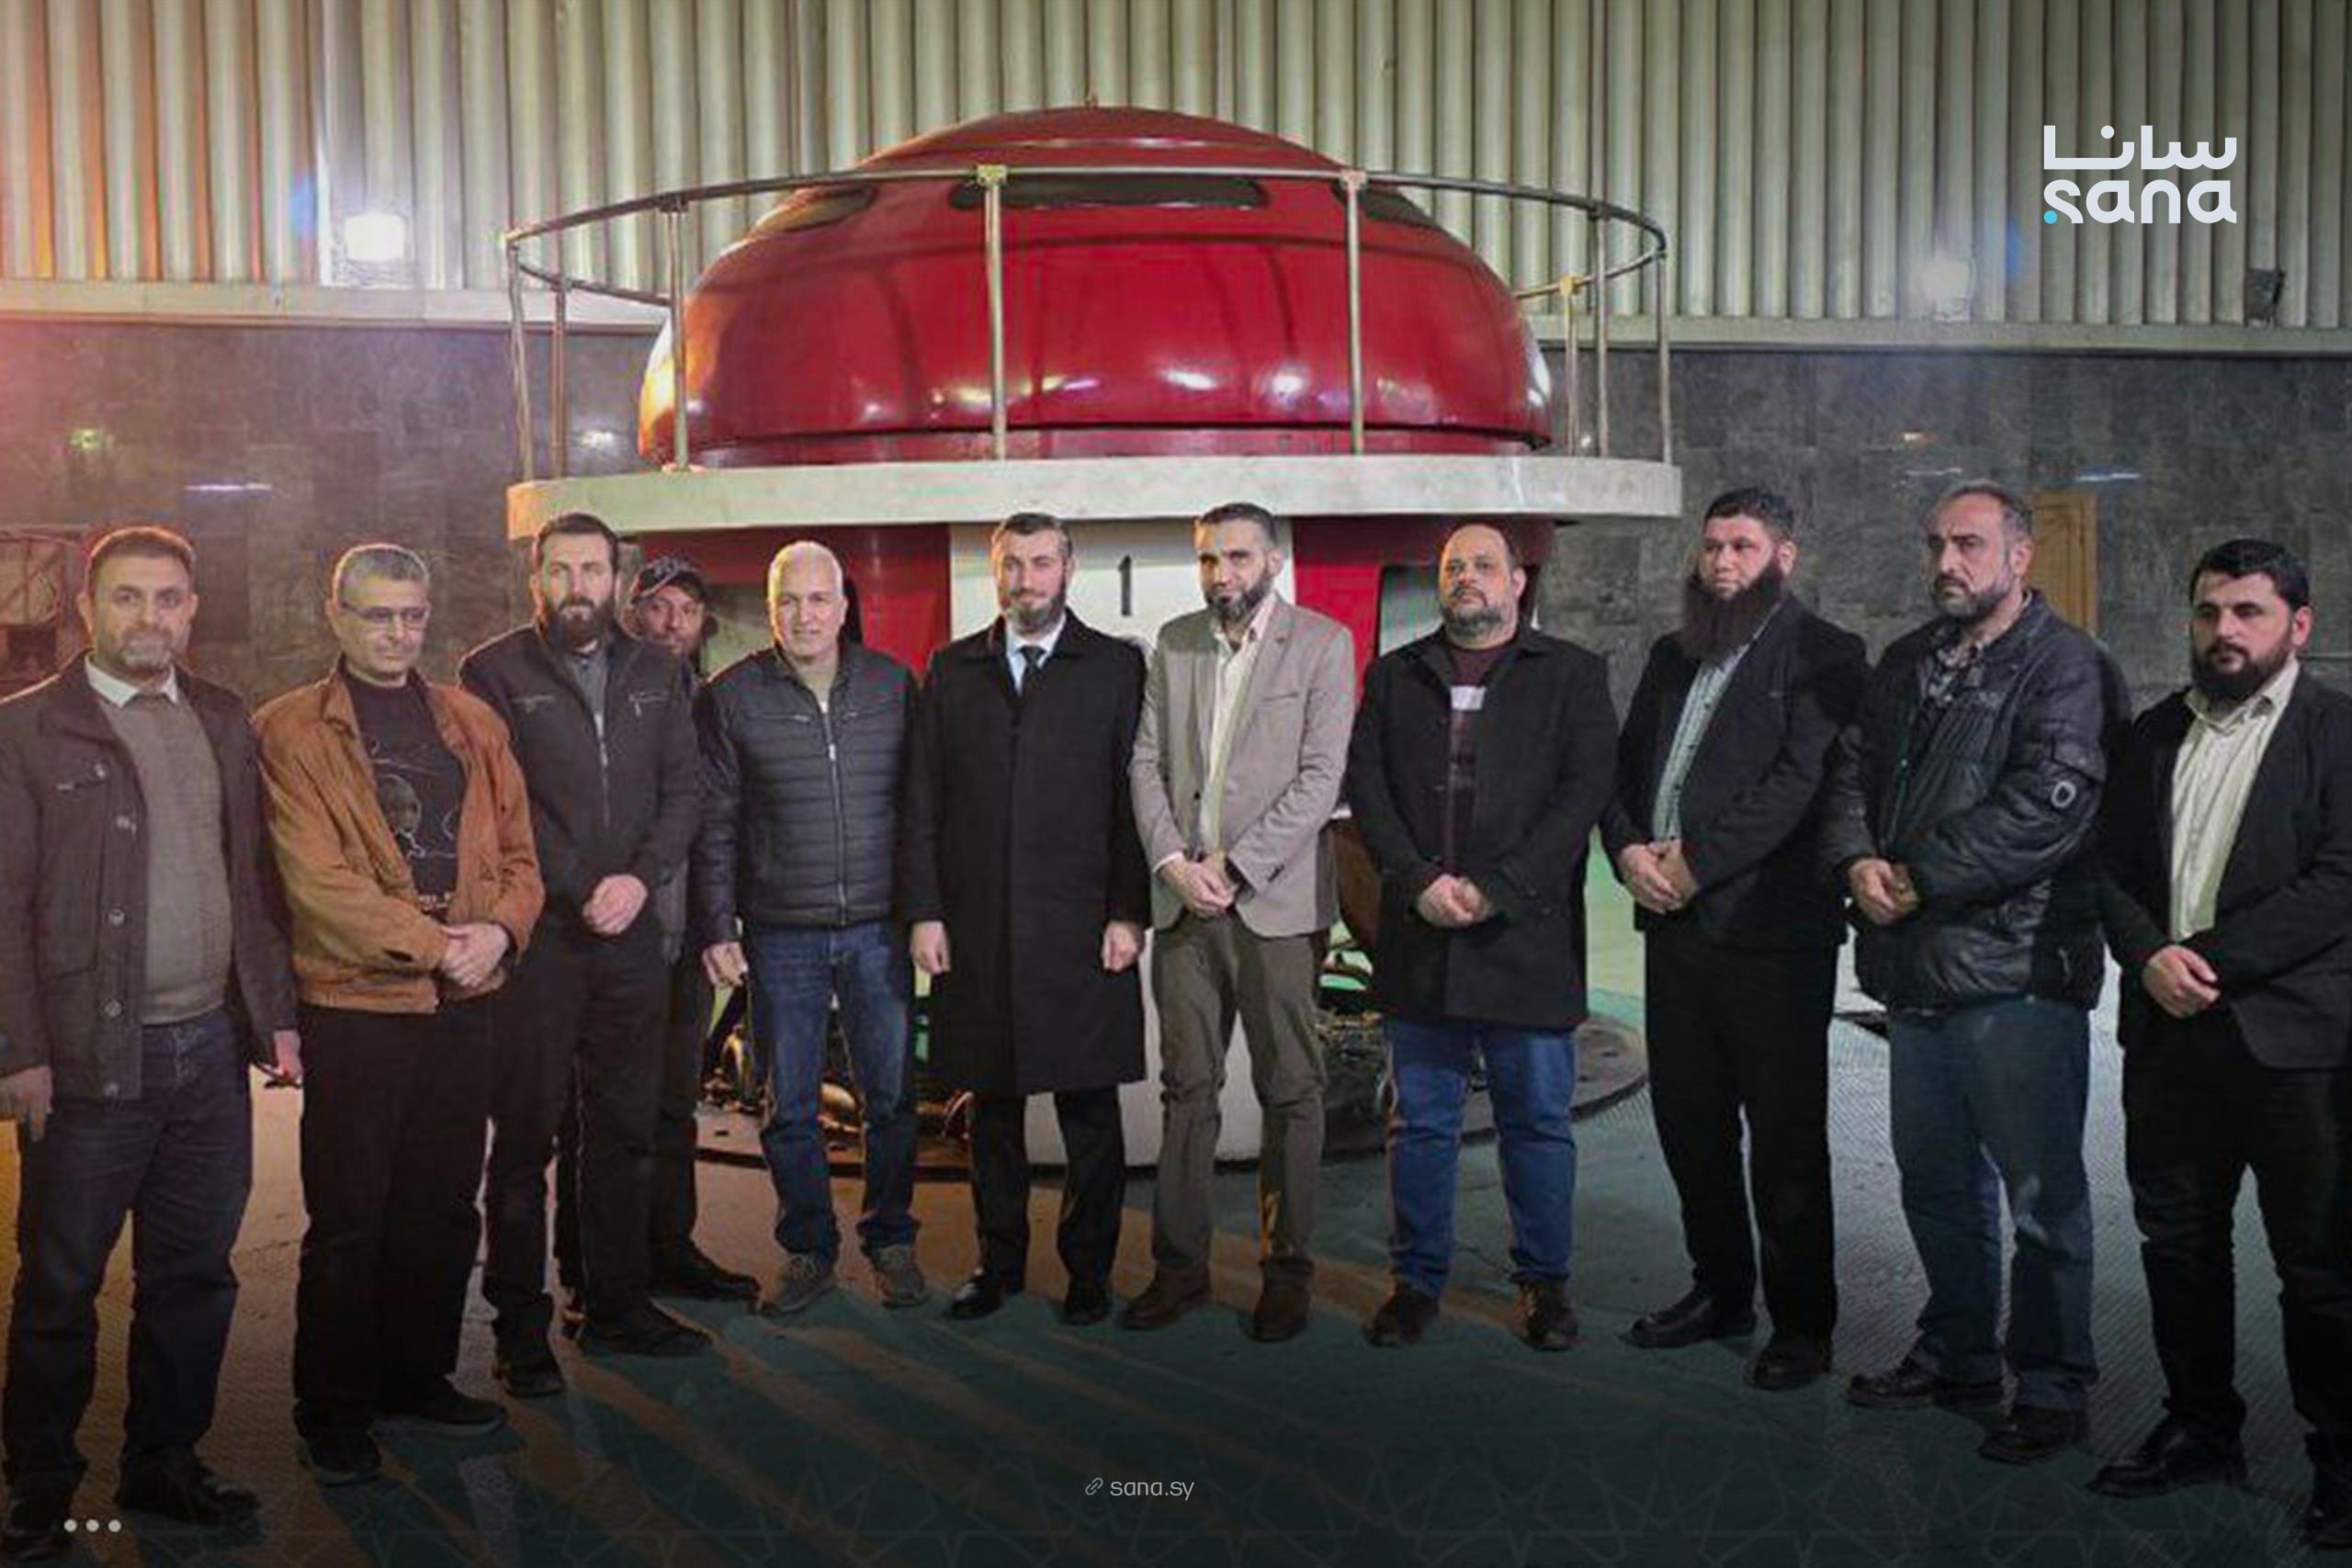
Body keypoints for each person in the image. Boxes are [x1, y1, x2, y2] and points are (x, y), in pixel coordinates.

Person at [0, 527, 299, 1556]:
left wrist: (274, 1013)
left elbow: (251, 879)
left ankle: (165, 1462)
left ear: (192, 609)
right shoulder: (26, 730)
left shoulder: (221, 717)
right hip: (89, 1059)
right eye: (127, 597)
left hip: (208, 1050)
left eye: (168, 598)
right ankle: (40, 1487)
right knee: (59, 1285)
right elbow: (3, 903)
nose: (149, 617)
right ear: (88, 608)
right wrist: (18, 1050)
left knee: (194, 1275)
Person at [1818, 480, 2127, 1465]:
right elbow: (1851, 772)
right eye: (1935, 545)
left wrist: (1919, 876)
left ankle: (2051, 1383)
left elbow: (2050, 805)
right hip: (1917, 972)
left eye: (1968, 544)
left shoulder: (2067, 666)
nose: (1946, 562)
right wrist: (1855, 860)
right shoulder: (1909, 660)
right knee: (1936, 1182)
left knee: (2040, 1199)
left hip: (2016, 975)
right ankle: (1957, 1353)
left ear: (2019, 556)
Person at [255, 543, 542, 1486]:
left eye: (412, 615)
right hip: (358, 1005)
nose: (397, 633)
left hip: (464, 1005)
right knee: (350, 1219)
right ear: (335, 615)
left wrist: (500, 931)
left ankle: (415, 1379)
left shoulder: (472, 722)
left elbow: (521, 857)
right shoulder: (289, 731)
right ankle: (333, 1411)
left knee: (441, 1206)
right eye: (377, 615)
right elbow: (317, 883)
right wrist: (440, 945)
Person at [2090, 538, 2352, 1550]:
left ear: (2299, 624)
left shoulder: (2337, 733)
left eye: (2248, 612)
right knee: (2179, 1248)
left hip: (2295, 1049)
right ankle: (2201, 1428)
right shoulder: (2154, 732)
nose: (2224, 631)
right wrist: (2147, 953)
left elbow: (2338, 881)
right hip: (2170, 1041)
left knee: (2319, 1268)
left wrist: (2203, 960)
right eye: (2208, 612)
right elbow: (2109, 866)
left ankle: (2340, 1460)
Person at [1602, 488, 1867, 1391]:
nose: (1721, 561)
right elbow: (1624, 770)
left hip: (1770, 938)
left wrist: (1697, 864)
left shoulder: (1826, 654)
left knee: (1785, 1139)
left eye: (1742, 546)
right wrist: (1627, 850)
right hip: (1674, 931)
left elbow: (1798, 782)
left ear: (1783, 557)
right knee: (1690, 1125)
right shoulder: (1672, 654)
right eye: (1712, 545)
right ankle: (1720, 1292)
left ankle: (1802, 1323)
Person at [1341, 523, 1615, 1351]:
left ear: (1518, 581)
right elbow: (1368, 787)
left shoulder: (1570, 674)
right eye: (1453, 565)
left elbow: (1584, 792)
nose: (1466, 576)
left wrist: (1499, 887)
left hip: (1524, 939)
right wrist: (1417, 880)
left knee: (1536, 1123)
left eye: (1484, 565)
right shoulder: (1396, 675)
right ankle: (1415, 1282)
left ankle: (1544, 1284)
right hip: (1422, 934)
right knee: (1421, 1124)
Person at [460, 512, 707, 1393]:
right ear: (537, 579)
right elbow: (502, 805)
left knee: (623, 1130)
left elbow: (685, 790)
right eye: (560, 570)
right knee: (525, 1138)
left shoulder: (658, 671)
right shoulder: (492, 672)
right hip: (541, 941)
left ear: (615, 578)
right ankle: (520, 1329)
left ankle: (614, 1304)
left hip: (630, 935)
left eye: (592, 570)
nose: (577, 587)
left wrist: (640, 878)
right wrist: (579, 885)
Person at [899, 513, 1149, 1325]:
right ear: (994, 570)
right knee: (993, 1112)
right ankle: (997, 1262)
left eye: (1043, 563)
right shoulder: (952, 669)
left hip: (1083, 929)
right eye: (1013, 564)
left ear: (1068, 568)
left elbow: (1134, 800)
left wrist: (1128, 912)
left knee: (1090, 1114)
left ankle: (1088, 1271)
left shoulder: (1115, 666)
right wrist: (926, 911)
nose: (1027, 579)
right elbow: (924, 800)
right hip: (980, 929)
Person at [1124, 502, 1356, 1341]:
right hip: (1186, 905)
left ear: (1274, 559)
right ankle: (1180, 1268)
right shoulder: (1176, 642)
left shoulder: (1323, 644)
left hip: (1275, 906)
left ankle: (1287, 1272)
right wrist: (1172, 863)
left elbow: (1322, 777)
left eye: (1238, 557)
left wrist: (1234, 866)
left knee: (1291, 1089)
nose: (1222, 574)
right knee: (1187, 1090)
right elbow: (1145, 763)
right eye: (1208, 559)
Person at [695, 541, 926, 1315]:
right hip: (779, 931)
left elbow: (922, 809)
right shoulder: (731, 697)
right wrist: (717, 924)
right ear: (770, 610)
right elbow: (716, 822)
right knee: (788, 1101)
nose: (804, 615)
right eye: (788, 601)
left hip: (878, 929)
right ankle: (808, 1248)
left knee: (890, 1096)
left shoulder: (892, 686)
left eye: (818, 599)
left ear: (844, 605)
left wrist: (927, 909)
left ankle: (891, 1238)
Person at [610, 554, 755, 1305]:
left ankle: (671, 1249)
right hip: (618, 937)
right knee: (609, 1113)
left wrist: (719, 924)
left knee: (674, 1105)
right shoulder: (604, 695)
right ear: (632, 611)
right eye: (659, 606)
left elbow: (720, 823)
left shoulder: (708, 703)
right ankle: (607, 1269)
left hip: (688, 940)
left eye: (688, 611)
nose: (673, 623)